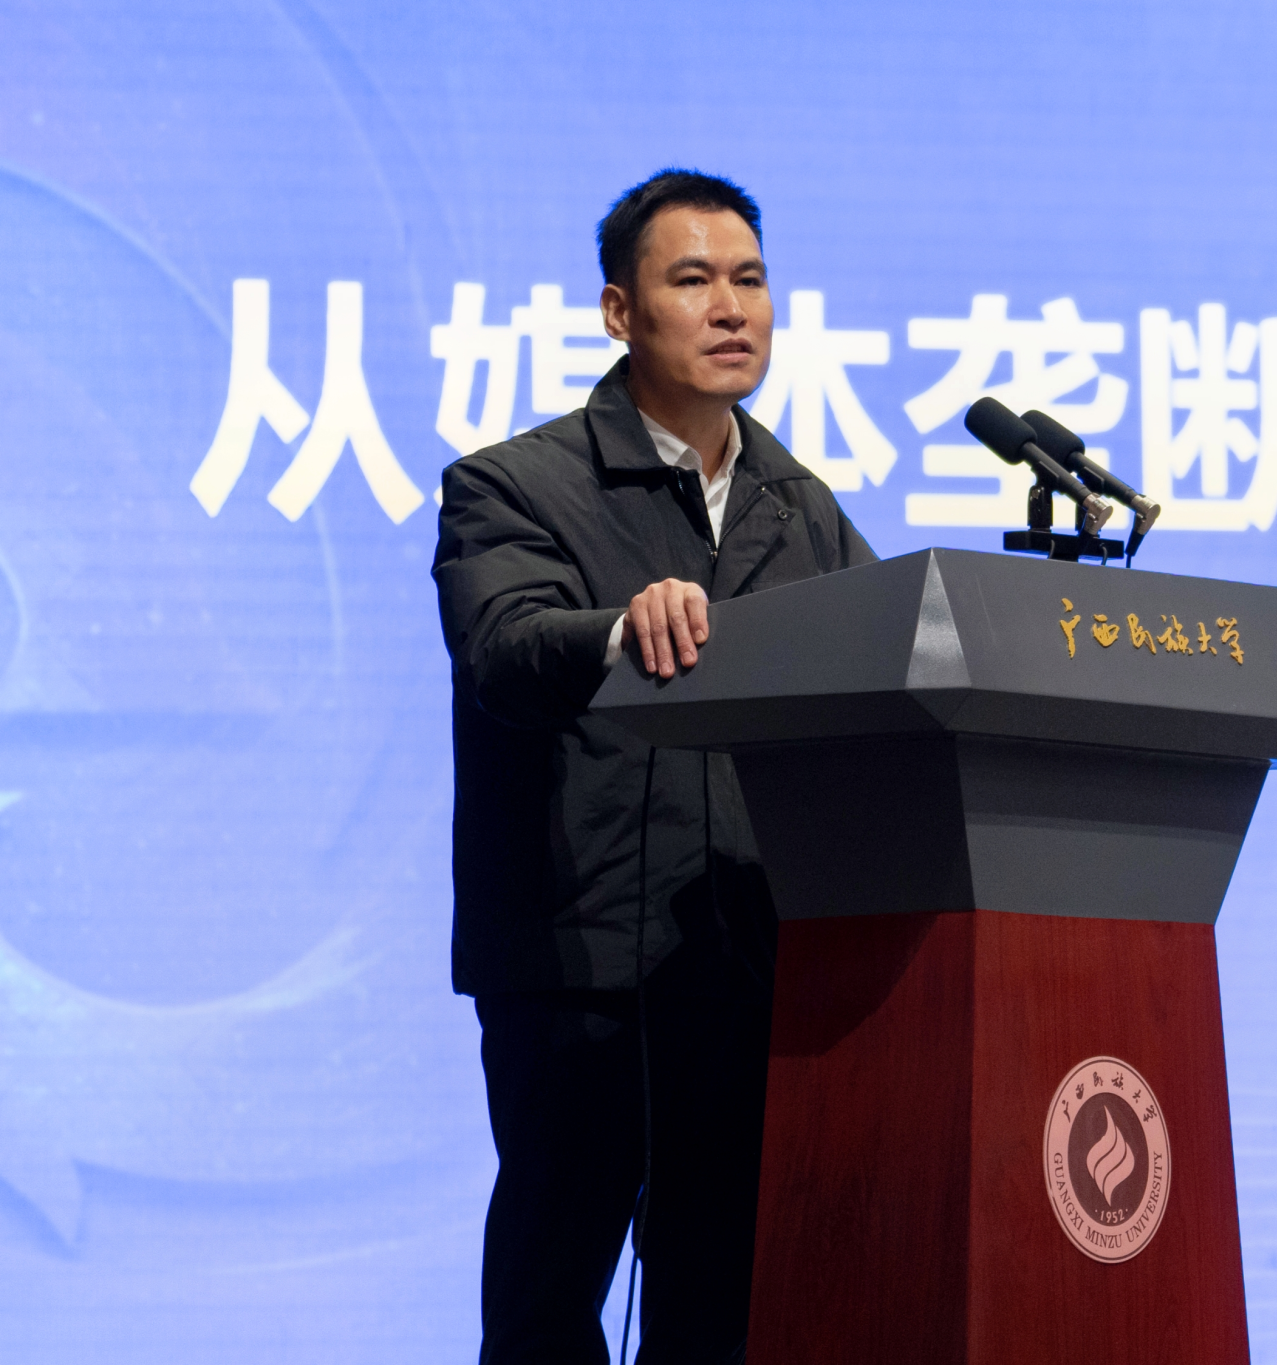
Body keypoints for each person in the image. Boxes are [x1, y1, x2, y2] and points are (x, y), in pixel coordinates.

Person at [433, 169, 875, 1365]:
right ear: (620, 313)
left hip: (746, 971)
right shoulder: (514, 485)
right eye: (693, 280)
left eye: (750, 280)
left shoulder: (800, 508)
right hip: (579, 973)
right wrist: (617, 632)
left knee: (722, 1311)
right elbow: (504, 651)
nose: (731, 307)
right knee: (547, 1306)